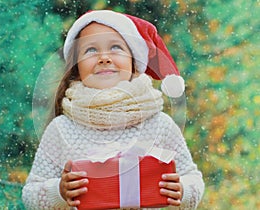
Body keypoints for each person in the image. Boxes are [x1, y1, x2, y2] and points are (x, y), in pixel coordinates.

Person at [22, 10, 204, 209]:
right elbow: (31, 195)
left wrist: (182, 190)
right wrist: (59, 191)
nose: (104, 58)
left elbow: (192, 178)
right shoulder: (62, 129)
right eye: (90, 50)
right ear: (76, 68)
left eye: (116, 47)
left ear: (134, 63)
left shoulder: (160, 125)